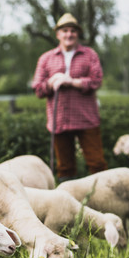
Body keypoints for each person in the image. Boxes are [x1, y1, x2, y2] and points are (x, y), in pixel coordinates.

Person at [32, 12, 107, 182]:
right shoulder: (46, 58)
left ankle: (104, 199)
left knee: (97, 163)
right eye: (65, 30)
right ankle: (68, 202)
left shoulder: (90, 55)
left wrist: (72, 82)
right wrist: (51, 83)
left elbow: (97, 81)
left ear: (78, 33)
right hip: (59, 120)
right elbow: (38, 89)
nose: (69, 34)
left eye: (73, 30)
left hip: (86, 119)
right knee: (65, 168)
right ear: (58, 34)